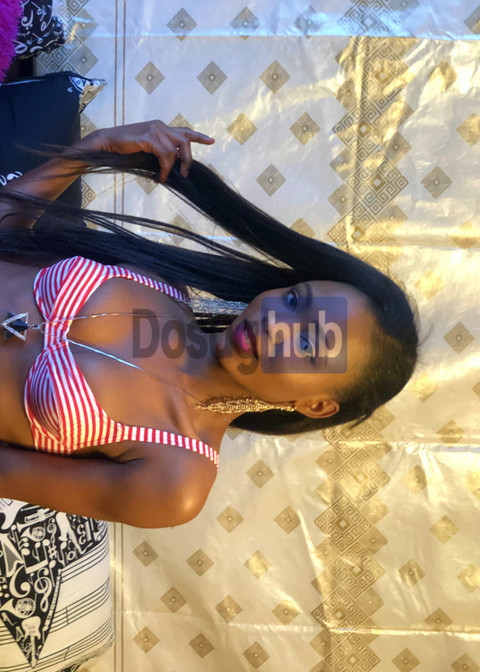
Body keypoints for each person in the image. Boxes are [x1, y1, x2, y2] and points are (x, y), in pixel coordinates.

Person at [0, 120, 419, 531]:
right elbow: (8, 229)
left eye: (308, 344)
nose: (276, 323)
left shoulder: (175, 479)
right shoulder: (160, 285)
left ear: (316, 405)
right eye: (294, 300)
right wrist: (98, 147)